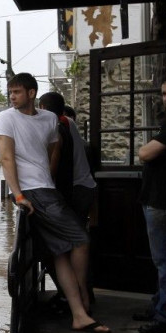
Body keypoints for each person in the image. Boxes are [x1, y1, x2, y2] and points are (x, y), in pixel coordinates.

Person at [0, 73, 109, 333]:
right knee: (80, 240)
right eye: (10, 92)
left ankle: (78, 313)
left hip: (47, 188)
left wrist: (46, 177)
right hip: (34, 193)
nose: (12, 96)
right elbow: (6, 159)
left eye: (17, 92)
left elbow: (49, 152)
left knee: (60, 252)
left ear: (32, 93)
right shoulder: (5, 118)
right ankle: (81, 295)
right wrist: (18, 194)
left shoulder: (49, 120)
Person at [38, 92, 97, 309]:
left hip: (74, 191)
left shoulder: (56, 129)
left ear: (43, 107)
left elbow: (52, 169)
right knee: (75, 244)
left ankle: (72, 296)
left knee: (57, 246)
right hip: (85, 187)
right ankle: (82, 295)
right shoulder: (68, 122)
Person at [134, 80, 166, 333]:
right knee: (160, 260)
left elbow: (145, 153)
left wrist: (143, 148)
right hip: (154, 200)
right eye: (163, 93)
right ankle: (159, 305)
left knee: (163, 261)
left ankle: (165, 315)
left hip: (160, 202)